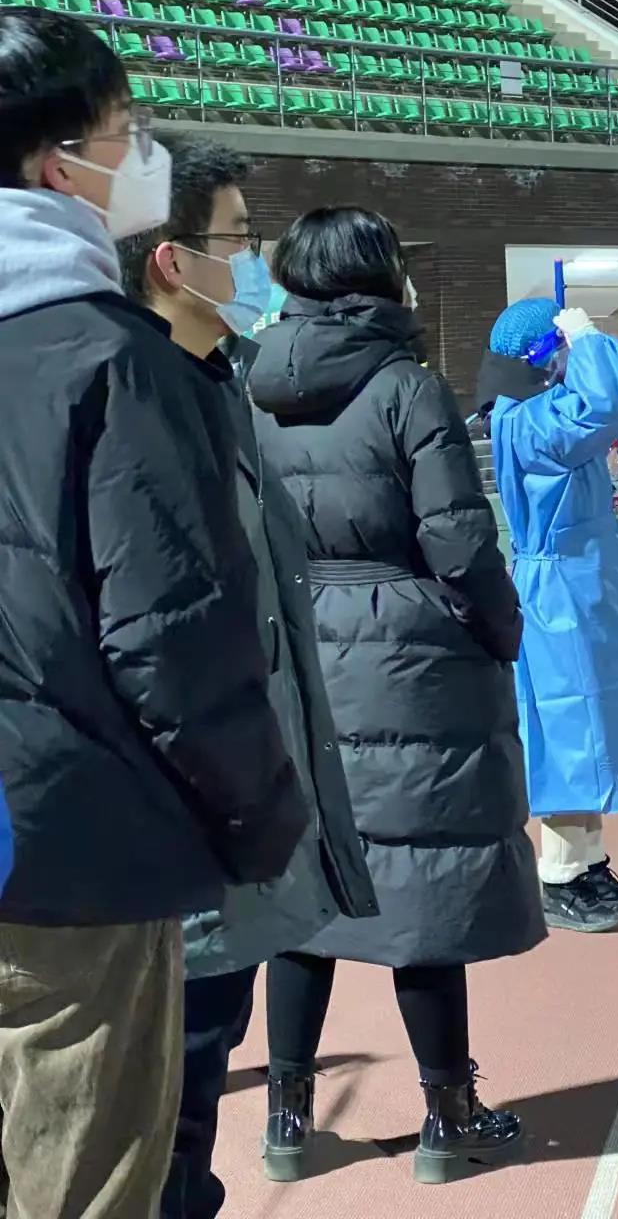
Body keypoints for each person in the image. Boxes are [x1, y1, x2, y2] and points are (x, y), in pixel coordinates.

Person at [0, 11, 308, 1217]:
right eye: (124, 131)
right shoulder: (111, 360)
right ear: (54, 166)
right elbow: (172, 631)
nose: (143, 158)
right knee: (86, 1175)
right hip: (73, 848)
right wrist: (260, 814)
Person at [248, 207, 546, 1185]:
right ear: (379, 276)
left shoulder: (250, 387)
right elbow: (458, 536)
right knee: (425, 895)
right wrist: (499, 629)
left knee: (305, 896)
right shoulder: (406, 385)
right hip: (407, 649)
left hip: (297, 648)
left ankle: (287, 1121)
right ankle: (447, 1118)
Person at [116, 135, 378, 1219]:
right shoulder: (133, 404)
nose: (256, 261)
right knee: (158, 1120)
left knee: (194, 1102)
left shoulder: (219, 384)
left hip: (235, 821)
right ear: (172, 260)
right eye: (238, 239)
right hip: (179, 842)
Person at [476, 298, 618, 935]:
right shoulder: (527, 418)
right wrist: (589, 340)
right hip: (559, 594)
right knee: (571, 732)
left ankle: (588, 863)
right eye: (562, 349)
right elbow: (603, 406)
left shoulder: (546, 413)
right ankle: (560, 875)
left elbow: (580, 485)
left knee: (599, 730)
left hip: (588, 584)